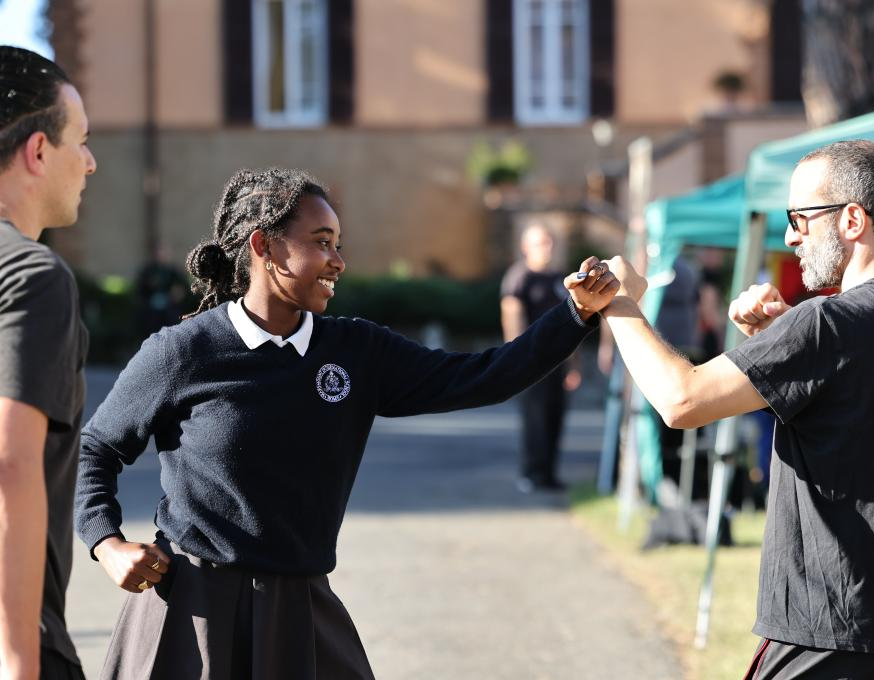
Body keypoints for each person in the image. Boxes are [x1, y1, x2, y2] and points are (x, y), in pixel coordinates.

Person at [74, 168, 618, 679]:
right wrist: (107, 543)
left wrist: (574, 316)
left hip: (301, 604)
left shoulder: (357, 351)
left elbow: (481, 377)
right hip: (194, 613)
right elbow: (95, 447)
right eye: (321, 241)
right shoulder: (184, 351)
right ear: (264, 247)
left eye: (338, 244)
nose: (337, 260)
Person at [599, 140, 874, 679]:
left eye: (800, 217)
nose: (791, 235)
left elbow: (681, 400)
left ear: (853, 219)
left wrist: (619, 302)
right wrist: (777, 340)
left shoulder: (824, 323)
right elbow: (855, 411)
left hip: (830, 632)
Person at [0, 46, 96, 680]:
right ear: (38, 151)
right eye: (80, 141)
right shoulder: (32, 275)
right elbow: (9, 462)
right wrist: (19, 661)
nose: (89, 163)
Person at [500, 223, 580, 492]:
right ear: (526, 247)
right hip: (531, 361)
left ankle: (549, 473)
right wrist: (518, 358)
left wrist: (573, 365)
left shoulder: (560, 279)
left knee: (555, 417)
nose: (546, 248)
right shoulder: (520, 277)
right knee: (534, 420)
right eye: (539, 243)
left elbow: (573, 321)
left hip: (557, 362)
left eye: (549, 242)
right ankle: (532, 472)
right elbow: (512, 316)